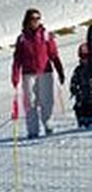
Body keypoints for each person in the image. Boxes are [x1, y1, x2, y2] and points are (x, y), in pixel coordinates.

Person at [13, 8, 64, 138]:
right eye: (33, 19)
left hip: (45, 72)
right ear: (27, 20)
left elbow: (53, 54)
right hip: (28, 74)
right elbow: (17, 59)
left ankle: (48, 125)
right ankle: (33, 131)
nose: (35, 21)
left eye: (38, 18)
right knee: (30, 103)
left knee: (47, 101)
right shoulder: (22, 38)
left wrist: (60, 70)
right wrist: (15, 75)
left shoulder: (46, 35)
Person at [71, 43, 92, 129]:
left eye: (86, 57)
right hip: (83, 96)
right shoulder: (78, 70)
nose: (85, 60)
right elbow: (74, 80)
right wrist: (74, 88)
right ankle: (83, 120)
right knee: (80, 106)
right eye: (82, 57)